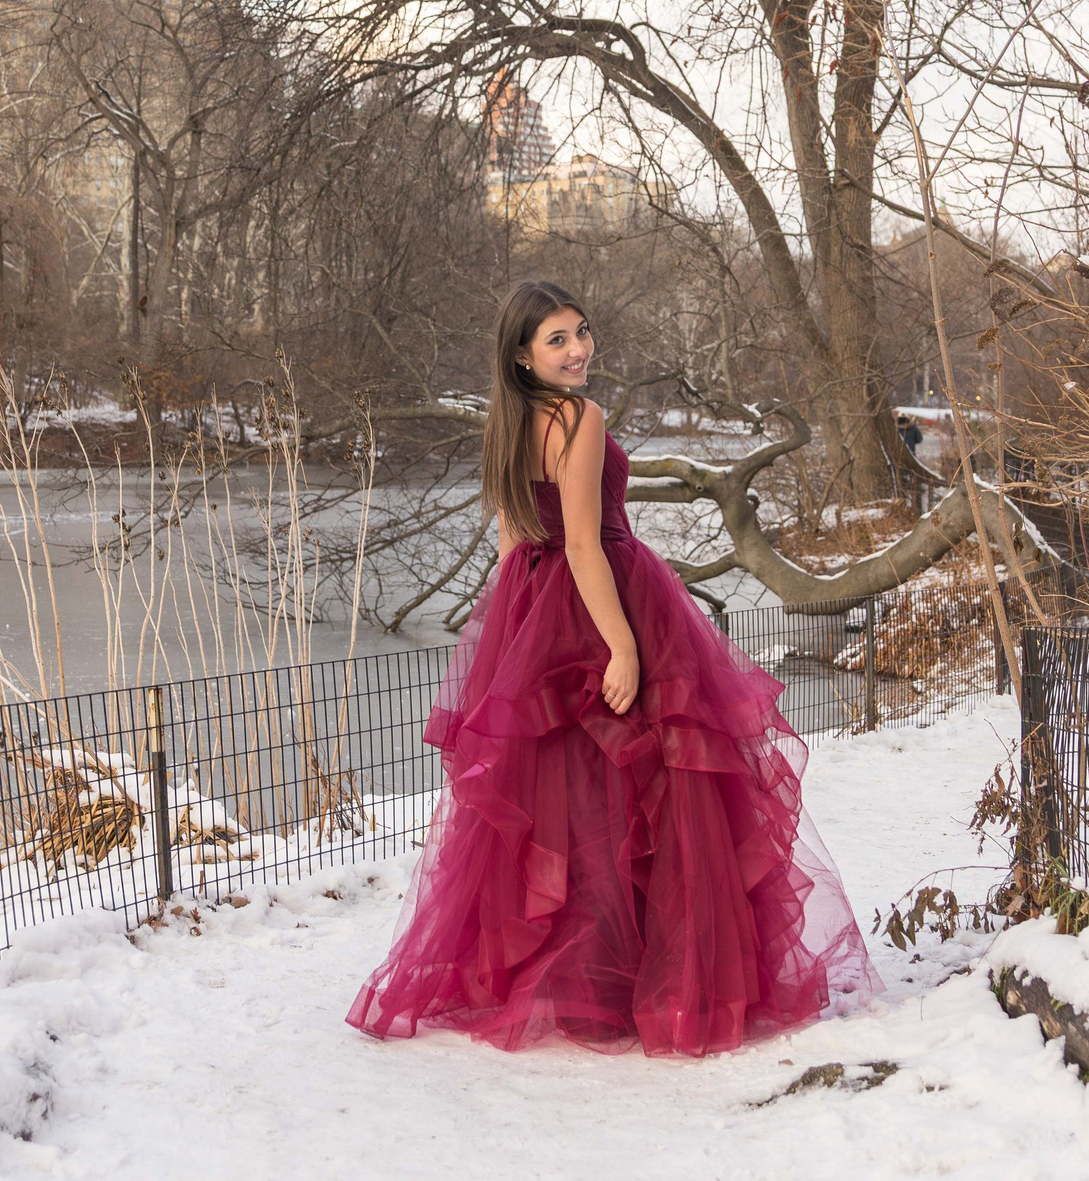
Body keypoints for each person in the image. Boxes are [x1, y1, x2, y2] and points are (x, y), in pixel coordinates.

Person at [348, 280, 873, 1056]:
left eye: (581, 332)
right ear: (522, 354)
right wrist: (623, 645)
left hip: (537, 603)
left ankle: (585, 978)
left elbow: (512, 539)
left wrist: (511, 635)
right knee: (653, 789)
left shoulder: (511, 421)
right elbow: (587, 544)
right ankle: (650, 980)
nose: (578, 349)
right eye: (557, 339)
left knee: (572, 796)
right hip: (604, 600)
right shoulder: (577, 417)